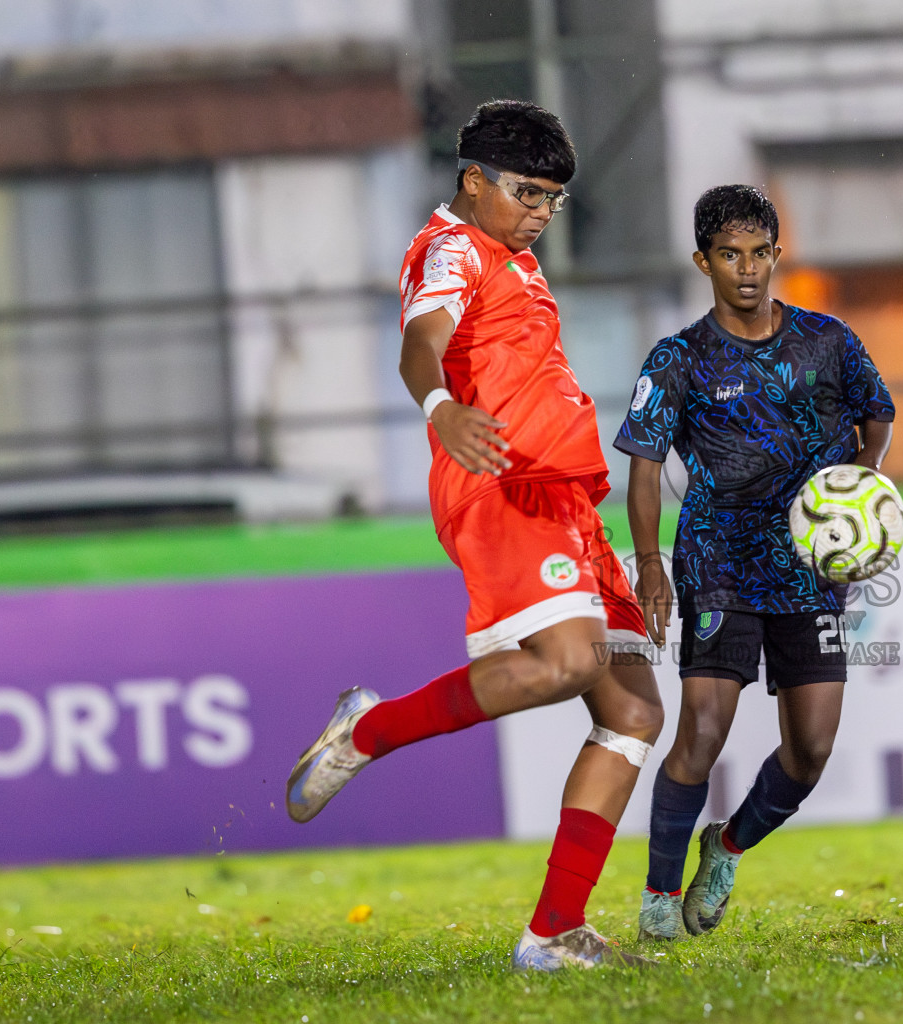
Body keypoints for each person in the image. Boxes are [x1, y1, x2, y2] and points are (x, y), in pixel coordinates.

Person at [285, 99, 662, 971]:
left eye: (553, 200)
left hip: (562, 498)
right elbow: (423, 344)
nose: (539, 213)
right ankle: (369, 730)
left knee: (634, 711)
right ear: (473, 180)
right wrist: (441, 406)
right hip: (501, 485)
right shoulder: (452, 247)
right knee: (568, 664)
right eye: (528, 193)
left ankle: (553, 934)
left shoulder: (511, 258)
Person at [614, 185, 895, 940]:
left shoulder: (828, 341)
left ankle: (728, 845)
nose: (747, 269)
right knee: (701, 731)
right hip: (718, 564)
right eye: (730, 255)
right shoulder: (678, 359)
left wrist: (856, 491)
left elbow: (878, 416)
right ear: (703, 260)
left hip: (810, 571)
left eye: (760, 253)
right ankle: (657, 899)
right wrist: (649, 566)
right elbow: (643, 468)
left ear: (777, 254)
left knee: (811, 749)